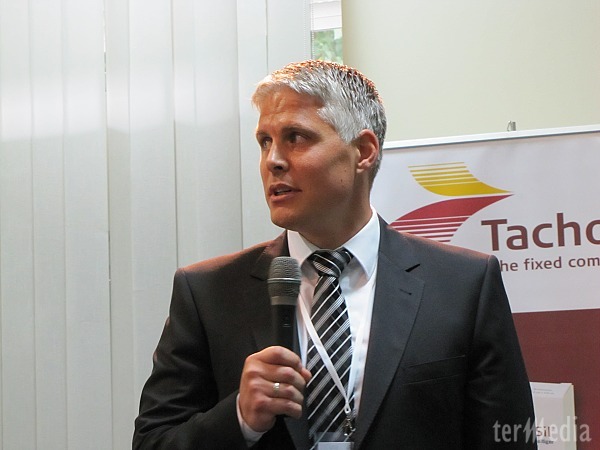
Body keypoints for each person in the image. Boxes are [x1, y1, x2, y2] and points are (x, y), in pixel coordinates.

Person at [133, 60, 537, 449]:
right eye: (264, 141)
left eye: (295, 137)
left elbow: (508, 440)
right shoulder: (208, 293)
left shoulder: (463, 285)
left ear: (363, 151)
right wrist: (239, 418)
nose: (273, 161)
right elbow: (153, 442)